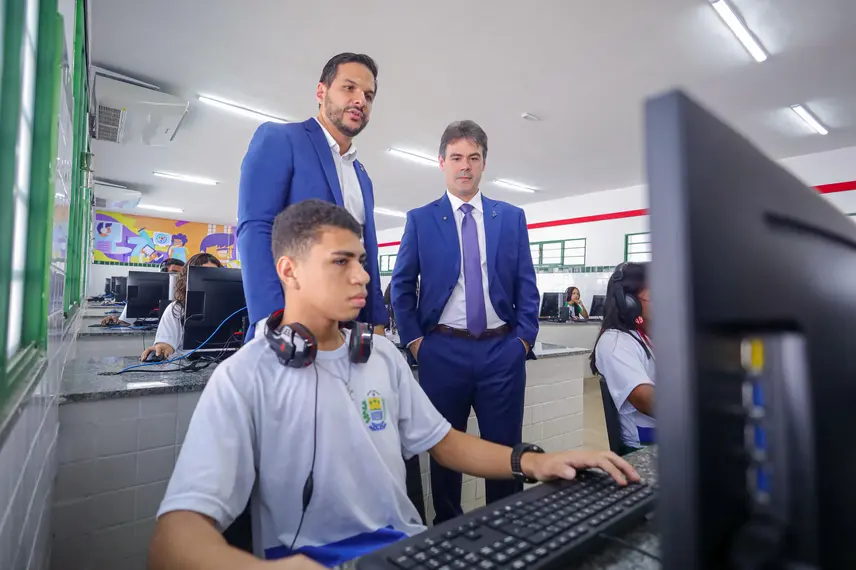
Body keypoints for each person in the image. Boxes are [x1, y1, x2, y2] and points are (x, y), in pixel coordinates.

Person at [148, 200, 638, 570]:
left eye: (362, 260)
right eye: (342, 261)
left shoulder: (379, 355)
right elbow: (173, 539)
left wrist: (534, 461)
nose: (363, 276)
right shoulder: (244, 377)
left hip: (405, 549)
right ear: (288, 270)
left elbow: (444, 443)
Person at [390, 120, 541, 524]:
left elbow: (527, 284)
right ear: (441, 162)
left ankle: (506, 529)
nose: (465, 166)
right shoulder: (421, 220)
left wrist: (523, 341)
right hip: (443, 351)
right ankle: (449, 531)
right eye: (456, 157)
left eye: (473, 158)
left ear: (483, 164)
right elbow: (401, 288)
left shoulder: (510, 217)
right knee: (445, 451)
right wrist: (417, 343)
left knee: (506, 448)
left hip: (501, 350)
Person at [237, 52, 387, 341]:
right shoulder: (280, 139)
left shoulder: (362, 175)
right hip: (291, 328)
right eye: (349, 88)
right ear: (321, 91)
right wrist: (274, 318)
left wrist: (376, 320)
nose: (360, 100)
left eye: (368, 95)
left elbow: (366, 252)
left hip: (346, 334)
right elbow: (255, 228)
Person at [590, 262, 655, 451]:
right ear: (628, 302)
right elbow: (647, 401)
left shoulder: (658, 335)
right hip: (646, 447)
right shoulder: (616, 342)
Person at [139, 253, 222, 361]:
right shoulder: (177, 308)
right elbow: (166, 344)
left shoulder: (234, 308)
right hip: (186, 366)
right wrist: (162, 347)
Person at [101, 258, 185, 327]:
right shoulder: (143, 293)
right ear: (163, 272)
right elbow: (125, 323)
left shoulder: (186, 296)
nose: (178, 277)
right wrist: (114, 321)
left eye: (181, 274)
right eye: (174, 273)